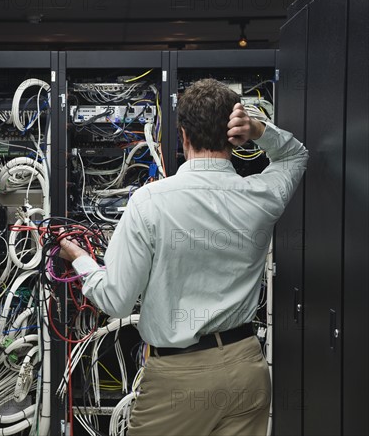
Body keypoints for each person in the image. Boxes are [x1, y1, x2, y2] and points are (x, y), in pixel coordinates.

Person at [59, 78, 308, 436]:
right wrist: (259, 129)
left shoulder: (149, 202)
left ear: (183, 136)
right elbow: (296, 154)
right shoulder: (261, 196)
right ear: (232, 136)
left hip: (179, 379)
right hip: (246, 369)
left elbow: (115, 300)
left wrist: (80, 258)